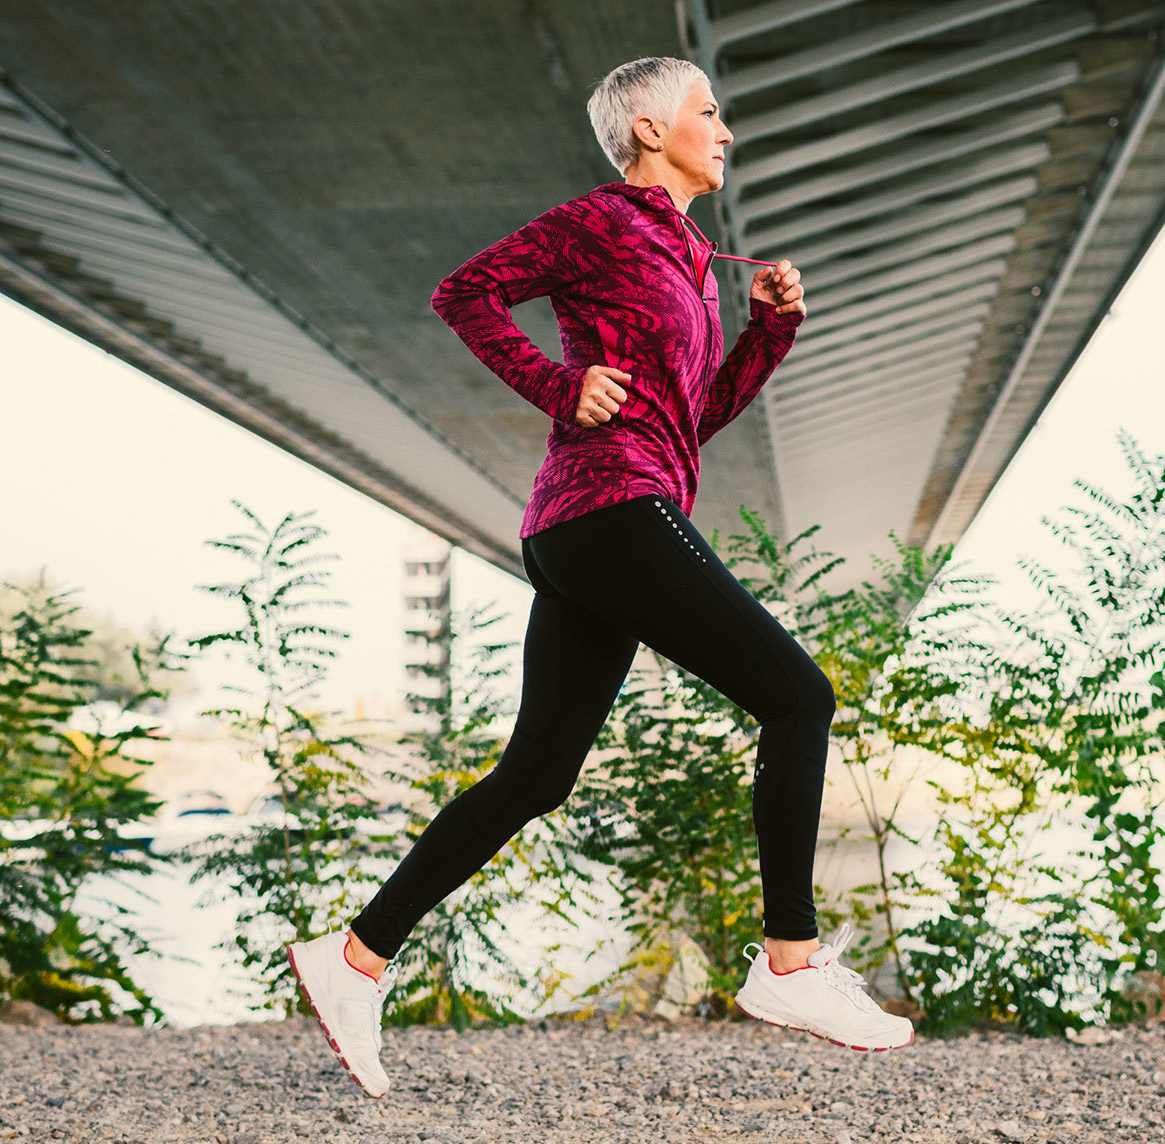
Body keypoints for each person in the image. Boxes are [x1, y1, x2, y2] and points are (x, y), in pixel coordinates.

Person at [288, 55, 913, 1098]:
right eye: (706, 112)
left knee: (538, 775)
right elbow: (463, 291)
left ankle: (351, 959)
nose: (724, 129)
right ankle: (790, 962)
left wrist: (769, 330)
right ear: (647, 128)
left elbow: (690, 418)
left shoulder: (690, 257)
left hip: (605, 518)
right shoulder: (601, 222)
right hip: (609, 508)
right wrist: (555, 381)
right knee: (799, 696)